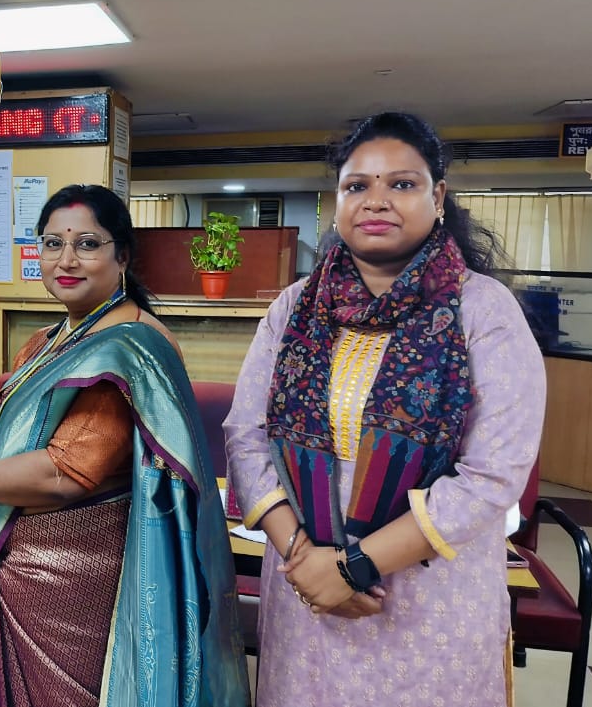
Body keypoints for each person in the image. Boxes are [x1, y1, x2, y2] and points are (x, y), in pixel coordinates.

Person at [0, 184, 249, 707]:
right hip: (17, 570)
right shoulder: (50, 338)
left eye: (87, 244)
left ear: (122, 255)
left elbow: (64, 473)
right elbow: (8, 446)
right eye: (52, 243)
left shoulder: (130, 350)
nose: (66, 259)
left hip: (76, 589)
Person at [225, 112, 546, 707]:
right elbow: (246, 436)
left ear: (439, 197)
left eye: (402, 184)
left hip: (426, 593)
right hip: (305, 588)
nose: (377, 201)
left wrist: (352, 569)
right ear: (337, 199)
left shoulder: (482, 310)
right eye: (357, 186)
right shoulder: (296, 307)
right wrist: (306, 559)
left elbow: (493, 475)